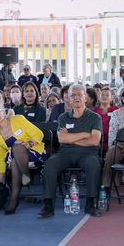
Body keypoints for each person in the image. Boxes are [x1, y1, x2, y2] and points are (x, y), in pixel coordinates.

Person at [38, 83, 103, 217]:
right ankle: (48, 205)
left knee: (94, 164)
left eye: (80, 95)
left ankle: (91, 204)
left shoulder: (95, 118)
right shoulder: (63, 117)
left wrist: (71, 137)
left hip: (88, 153)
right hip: (66, 153)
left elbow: (95, 141)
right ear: (68, 98)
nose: (76, 97)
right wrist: (85, 134)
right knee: (50, 163)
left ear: (86, 98)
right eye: (73, 95)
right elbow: (62, 139)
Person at [0, 99, 46, 215]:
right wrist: (0, 182)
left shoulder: (18, 119)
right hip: (14, 159)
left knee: (17, 148)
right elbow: (0, 160)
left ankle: (14, 200)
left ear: (4, 112)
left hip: (35, 153)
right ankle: (25, 178)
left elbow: (39, 134)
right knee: (14, 158)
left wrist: (28, 144)